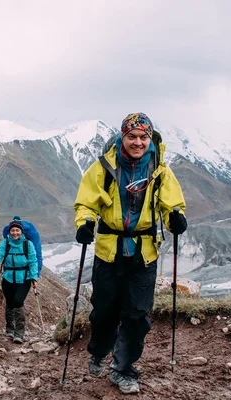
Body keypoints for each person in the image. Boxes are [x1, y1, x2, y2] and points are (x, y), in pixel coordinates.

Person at [74, 112, 187, 394]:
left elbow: (172, 204)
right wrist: (85, 222)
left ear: (151, 139)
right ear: (122, 137)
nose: (138, 142)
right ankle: (100, 351)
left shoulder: (160, 171)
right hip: (109, 250)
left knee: (137, 314)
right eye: (132, 136)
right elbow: (86, 203)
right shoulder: (102, 167)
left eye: (143, 137)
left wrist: (175, 217)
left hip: (144, 252)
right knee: (104, 312)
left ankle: (123, 368)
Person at [0, 218, 39, 344]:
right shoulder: (5, 243)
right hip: (8, 278)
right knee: (10, 303)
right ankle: (9, 330)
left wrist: (34, 278)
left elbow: (33, 261)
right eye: (12, 230)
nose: (15, 233)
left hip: (24, 278)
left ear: (21, 232)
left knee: (18, 301)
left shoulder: (28, 244)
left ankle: (19, 333)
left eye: (17, 230)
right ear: (9, 231)